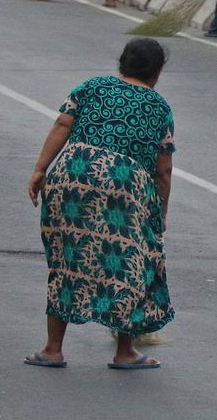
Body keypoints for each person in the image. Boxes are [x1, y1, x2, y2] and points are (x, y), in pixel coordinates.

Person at [25, 39, 176, 370]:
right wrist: (159, 214)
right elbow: (162, 170)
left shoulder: (92, 87)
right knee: (130, 266)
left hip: (73, 175)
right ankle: (124, 352)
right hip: (125, 184)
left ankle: (53, 349)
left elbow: (63, 124)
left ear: (122, 64)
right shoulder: (160, 108)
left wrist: (40, 169)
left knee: (66, 259)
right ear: (157, 73)